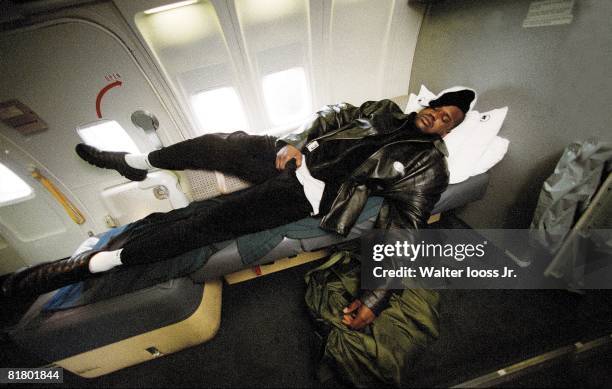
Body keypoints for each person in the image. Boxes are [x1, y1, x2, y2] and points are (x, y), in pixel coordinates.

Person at [2, 89, 475, 328]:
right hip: (292, 160)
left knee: (207, 223)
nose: (438, 117)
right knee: (217, 142)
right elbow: (335, 114)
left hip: (306, 195)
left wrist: (375, 296)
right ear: (427, 105)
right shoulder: (384, 110)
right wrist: (294, 141)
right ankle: (133, 162)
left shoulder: (427, 167)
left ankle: (81, 267)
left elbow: (404, 231)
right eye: (438, 108)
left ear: (448, 132)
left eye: (448, 121)